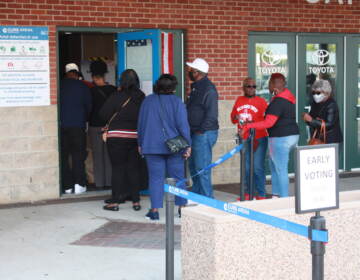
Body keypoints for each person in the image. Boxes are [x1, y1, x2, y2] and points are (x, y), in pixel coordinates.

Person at [137, 74, 191, 220]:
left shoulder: (147, 101)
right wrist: (188, 145)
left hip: (151, 145)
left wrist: (140, 143)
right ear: (173, 88)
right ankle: (181, 208)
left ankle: (154, 210)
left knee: (155, 178)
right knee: (179, 177)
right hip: (174, 146)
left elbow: (141, 124)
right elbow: (183, 125)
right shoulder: (177, 102)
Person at [241, 73, 299, 198]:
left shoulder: (278, 101)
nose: (268, 86)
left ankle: (284, 199)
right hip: (290, 136)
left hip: (281, 138)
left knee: (280, 169)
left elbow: (269, 122)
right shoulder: (288, 97)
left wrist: (249, 126)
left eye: (269, 83)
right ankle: (276, 195)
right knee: (274, 167)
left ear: (274, 84)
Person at [99, 69, 145, 211]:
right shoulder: (141, 97)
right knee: (133, 169)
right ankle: (136, 201)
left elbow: (103, 114)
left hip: (116, 137)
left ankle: (115, 202)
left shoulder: (116, 96)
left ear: (122, 81)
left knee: (118, 168)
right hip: (134, 137)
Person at [230, 77, 268, 200]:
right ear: (243, 87)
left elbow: (268, 119)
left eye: (254, 86)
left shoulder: (262, 101)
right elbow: (233, 119)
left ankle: (261, 194)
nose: (251, 89)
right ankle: (247, 193)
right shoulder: (239, 100)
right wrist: (236, 116)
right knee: (246, 168)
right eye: (248, 86)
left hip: (260, 138)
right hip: (244, 139)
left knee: (257, 167)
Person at [186, 58, 219, 198]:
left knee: (202, 167)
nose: (189, 72)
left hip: (203, 133)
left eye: (191, 70)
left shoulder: (209, 89)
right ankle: (198, 192)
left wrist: (200, 131)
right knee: (193, 165)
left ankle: (207, 198)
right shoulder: (196, 87)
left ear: (197, 72)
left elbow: (212, 114)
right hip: (194, 132)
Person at [60, 63, 92, 194]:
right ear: (77, 73)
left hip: (61, 126)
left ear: (66, 73)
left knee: (63, 156)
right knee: (78, 155)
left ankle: (67, 186)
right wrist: (84, 119)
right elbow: (89, 107)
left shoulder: (59, 86)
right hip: (78, 126)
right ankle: (79, 184)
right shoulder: (83, 87)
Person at [88, 59, 116, 189]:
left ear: (93, 76)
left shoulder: (90, 91)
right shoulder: (113, 90)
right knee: (109, 155)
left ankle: (99, 183)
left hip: (95, 126)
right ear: (105, 75)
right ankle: (110, 182)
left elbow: (88, 109)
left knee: (97, 156)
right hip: (110, 126)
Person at [303, 79, 343, 144]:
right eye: (313, 92)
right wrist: (306, 119)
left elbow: (329, 124)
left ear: (326, 93)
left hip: (331, 139)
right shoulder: (315, 103)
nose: (315, 95)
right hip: (318, 138)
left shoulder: (332, 105)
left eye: (318, 93)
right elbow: (312, 120)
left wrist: (311, 120)